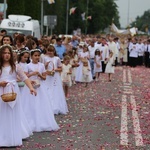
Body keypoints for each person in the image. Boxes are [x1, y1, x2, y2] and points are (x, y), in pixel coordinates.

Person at [0, 44, 36, 147]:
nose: (6, 55)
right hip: (1, 91)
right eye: (4, 53)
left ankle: (12, 138)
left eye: (8, 53)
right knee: (2, 114)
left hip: (13, 92)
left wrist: (31, 88)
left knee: (12, 114)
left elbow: (24, 78)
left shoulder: (15, 66)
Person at [21, 49, 60, 132]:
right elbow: (24, 76)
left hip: (40, 86)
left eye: (38, 55)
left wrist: (39, 75)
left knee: (41, 103)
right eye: (35, 55)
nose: (37, 57)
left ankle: (42, 121)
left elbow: (44, 78)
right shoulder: (27, 66)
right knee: (29, 104)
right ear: (31, 57)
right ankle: (30, 122)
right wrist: (32, 74)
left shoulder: (42, 65)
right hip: (30, 86)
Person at [44, 45, 68, 115]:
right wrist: (46, 65)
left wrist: (55, 69)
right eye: (49, 51)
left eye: (51, 51)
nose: (50, 52)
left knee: (55, 90)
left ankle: (56, 106)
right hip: (48, 75)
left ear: (54, 51)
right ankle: (48, 106)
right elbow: (43, 68)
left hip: (55, 76)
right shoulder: (45, 58)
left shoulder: (57, 58)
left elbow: (61, 68)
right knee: (48, 89)